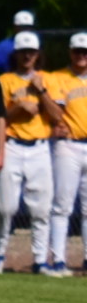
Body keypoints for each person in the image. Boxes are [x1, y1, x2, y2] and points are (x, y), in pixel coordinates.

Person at [0, 30, 54, 273]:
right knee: (5, 207)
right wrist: (18, 109)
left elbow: (58, 116)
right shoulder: (4, 81)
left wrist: (42, 93)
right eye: (23, 52)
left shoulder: (47, 79)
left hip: (39, 147)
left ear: (38, 55)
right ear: (15, 54)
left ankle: (40, 260)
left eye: (31, 52)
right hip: (13, 145)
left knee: (41, 209)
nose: (27, 56)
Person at [41, 31, 87, 277]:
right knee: (62, 205)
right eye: (78, 51)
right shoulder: (58, 77)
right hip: (67, 145)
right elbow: (54, 112)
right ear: (70, 52)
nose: (81, 55)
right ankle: (58, 259)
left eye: (85, 52)